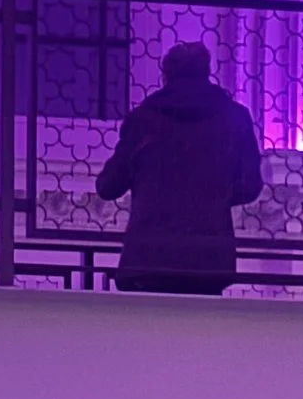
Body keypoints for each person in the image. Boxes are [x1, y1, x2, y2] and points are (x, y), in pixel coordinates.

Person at [95, 44, 263, 294]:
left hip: (148, 257)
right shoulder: (235, 117)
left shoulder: (144, 119)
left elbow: (108, 186)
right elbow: (251, 185)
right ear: (207, 71)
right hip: (208, 259)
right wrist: (214, 196)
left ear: (166, 75)